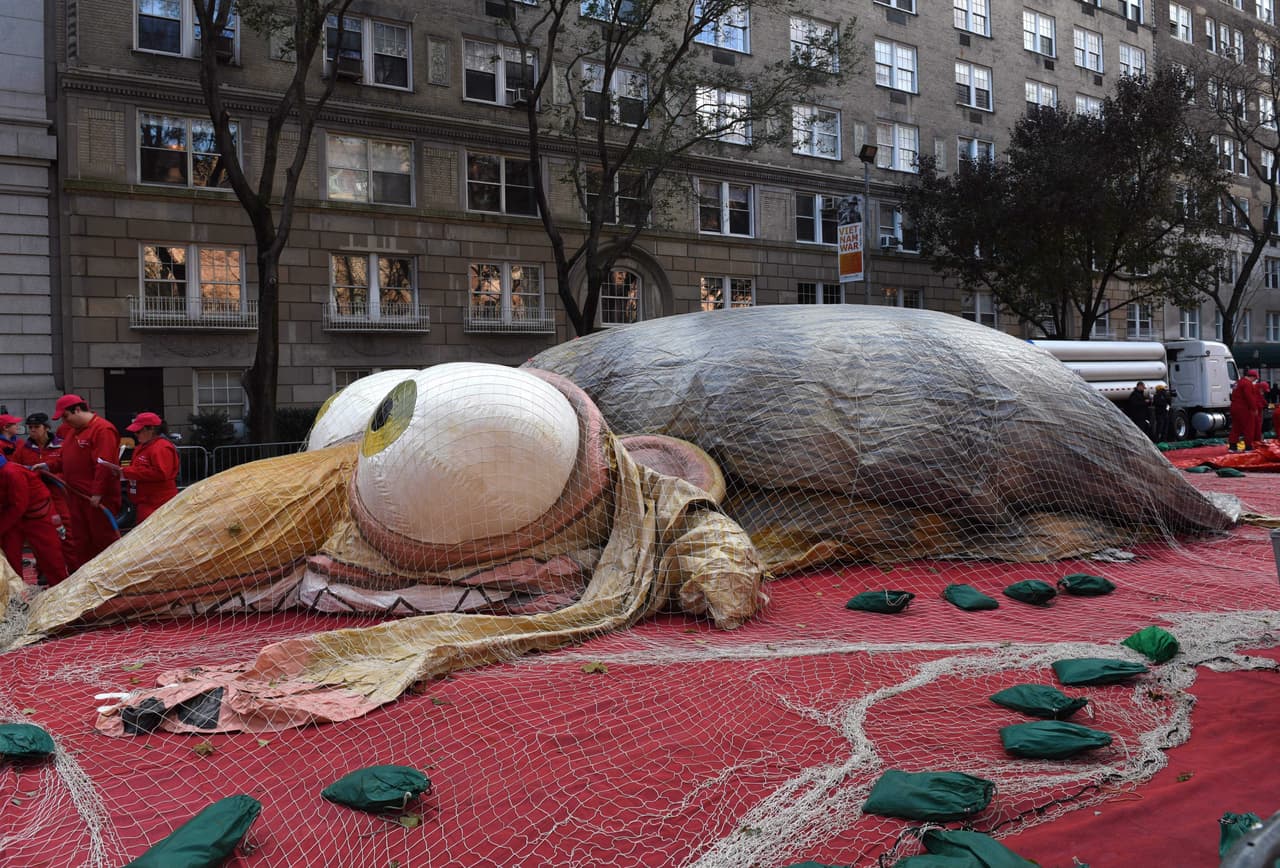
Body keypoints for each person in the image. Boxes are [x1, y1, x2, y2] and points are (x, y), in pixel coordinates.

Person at [49, 394, 121, 570]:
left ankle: (109, 577)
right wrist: (46, 465)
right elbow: (65, 459)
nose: (64, 422)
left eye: (66, 416)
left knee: (102, 540)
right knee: (81, 541)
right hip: (77, 497)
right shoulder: (73, 432)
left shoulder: (102, 430)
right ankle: (84, 579)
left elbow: (103, 465)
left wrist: (97, 493)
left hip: (95, 499)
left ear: (78, 409)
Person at [0, 453, 69, 586]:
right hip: (13, 514)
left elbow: (19, 505)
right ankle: (15, 595)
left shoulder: (12, 473)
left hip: (37, 515)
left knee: (50, 556)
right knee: (9, 558)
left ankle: (61, 590)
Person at [12, 412, 73, 548]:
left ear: (46, 428)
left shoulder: (62, 446)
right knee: (41, 535)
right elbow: (14, 470)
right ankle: (42, 568)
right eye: (30, 427)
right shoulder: (23, 448)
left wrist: (54, 477)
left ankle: (73, 567)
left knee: (66, 531)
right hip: (35, 499)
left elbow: (70, 469)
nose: (32, 430)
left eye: (36, 427)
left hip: (58, 495)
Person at [121, 412, 179, 523]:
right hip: (145, 502)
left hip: (158, 503)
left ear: (151, 429)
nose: (135, 435)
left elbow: (161, 473)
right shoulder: (143, 446)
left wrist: (127, 472)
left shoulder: (162, 447)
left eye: (138, 431)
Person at [1228, 370, 1263, 451]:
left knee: (1236, 427)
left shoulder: (1237, 382)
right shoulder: (1247, 384)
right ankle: (1248, 447)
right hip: (1244, 408)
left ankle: (1232, 446)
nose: (1254, 381)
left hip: (1234, 406)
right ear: (1253, 377)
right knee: (1248, 427)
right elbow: (1249, 398)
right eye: (1255, 379)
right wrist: (1254, 408)